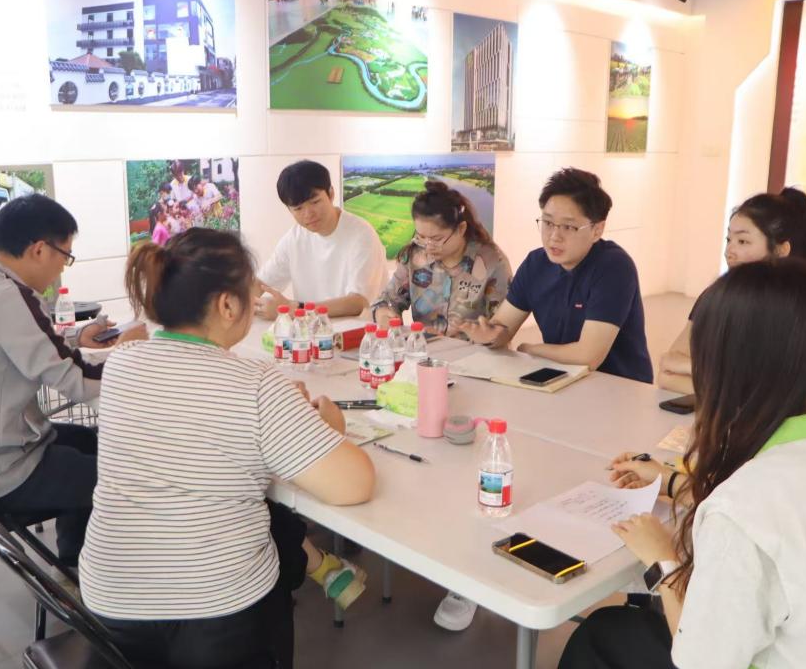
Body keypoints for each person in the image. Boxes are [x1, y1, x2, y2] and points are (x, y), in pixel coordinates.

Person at [557, 260, 806, 669]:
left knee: (602, 633)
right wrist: (672, 481)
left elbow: (701, 661)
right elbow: (802, 519)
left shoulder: (744, 507)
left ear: (730, 367)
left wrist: (663, 559)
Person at [80, 229, 376, 669]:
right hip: (216, 613)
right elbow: (354, 486)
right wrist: (327, 429)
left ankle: (321, 567)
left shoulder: (123, 361)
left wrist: (282, 417)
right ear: (227, 305)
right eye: (251, 294)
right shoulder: (255, 383)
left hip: (111, 605)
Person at [0, 194, 145, 567]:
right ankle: (83, 571)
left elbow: (19, 344)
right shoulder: (9, 296)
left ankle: (71, 560)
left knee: (89, 441)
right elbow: (75, 381)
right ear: (40, 249)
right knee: (121, 474)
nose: (62, 268)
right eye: (65, 255)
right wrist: (133, 353)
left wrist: (77, 337)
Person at [462, 168, 653, 383]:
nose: (554, 236)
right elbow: (503, 327)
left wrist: (531, 349)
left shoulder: (614, 267)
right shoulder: (536, 263)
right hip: (559, 379)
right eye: (548, 223)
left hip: (619, 386)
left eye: (569, 227)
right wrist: (490, 336)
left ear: (597, 230)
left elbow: (588, 356)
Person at [658, 187, 806, 394]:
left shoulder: (797, 306)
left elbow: (769, 390)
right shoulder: (716, 295)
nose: (729, 251)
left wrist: (699, 374)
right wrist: (726, 387)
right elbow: (668, 371)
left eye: (743, 241)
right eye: (729, 240)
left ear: (781, 250)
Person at [371, 181, 512, 339]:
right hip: (426, 349)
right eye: (421, 237)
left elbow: (505, 326)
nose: (428, 246)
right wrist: (383, 314)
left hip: (475, 351)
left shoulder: (492, 262)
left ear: (461, 229)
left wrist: (485, 333)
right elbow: (386, 300)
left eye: (436, 239)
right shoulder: (415, 256)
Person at [256, 160, 386, 319]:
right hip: (311, 331)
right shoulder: (294, 238)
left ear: (331, 194)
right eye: (298, 208)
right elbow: (260, 284)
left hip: (360, 332)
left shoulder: (361, 234)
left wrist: (295, 309)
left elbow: (358, 302)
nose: (308, 214)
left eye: (315, 202)